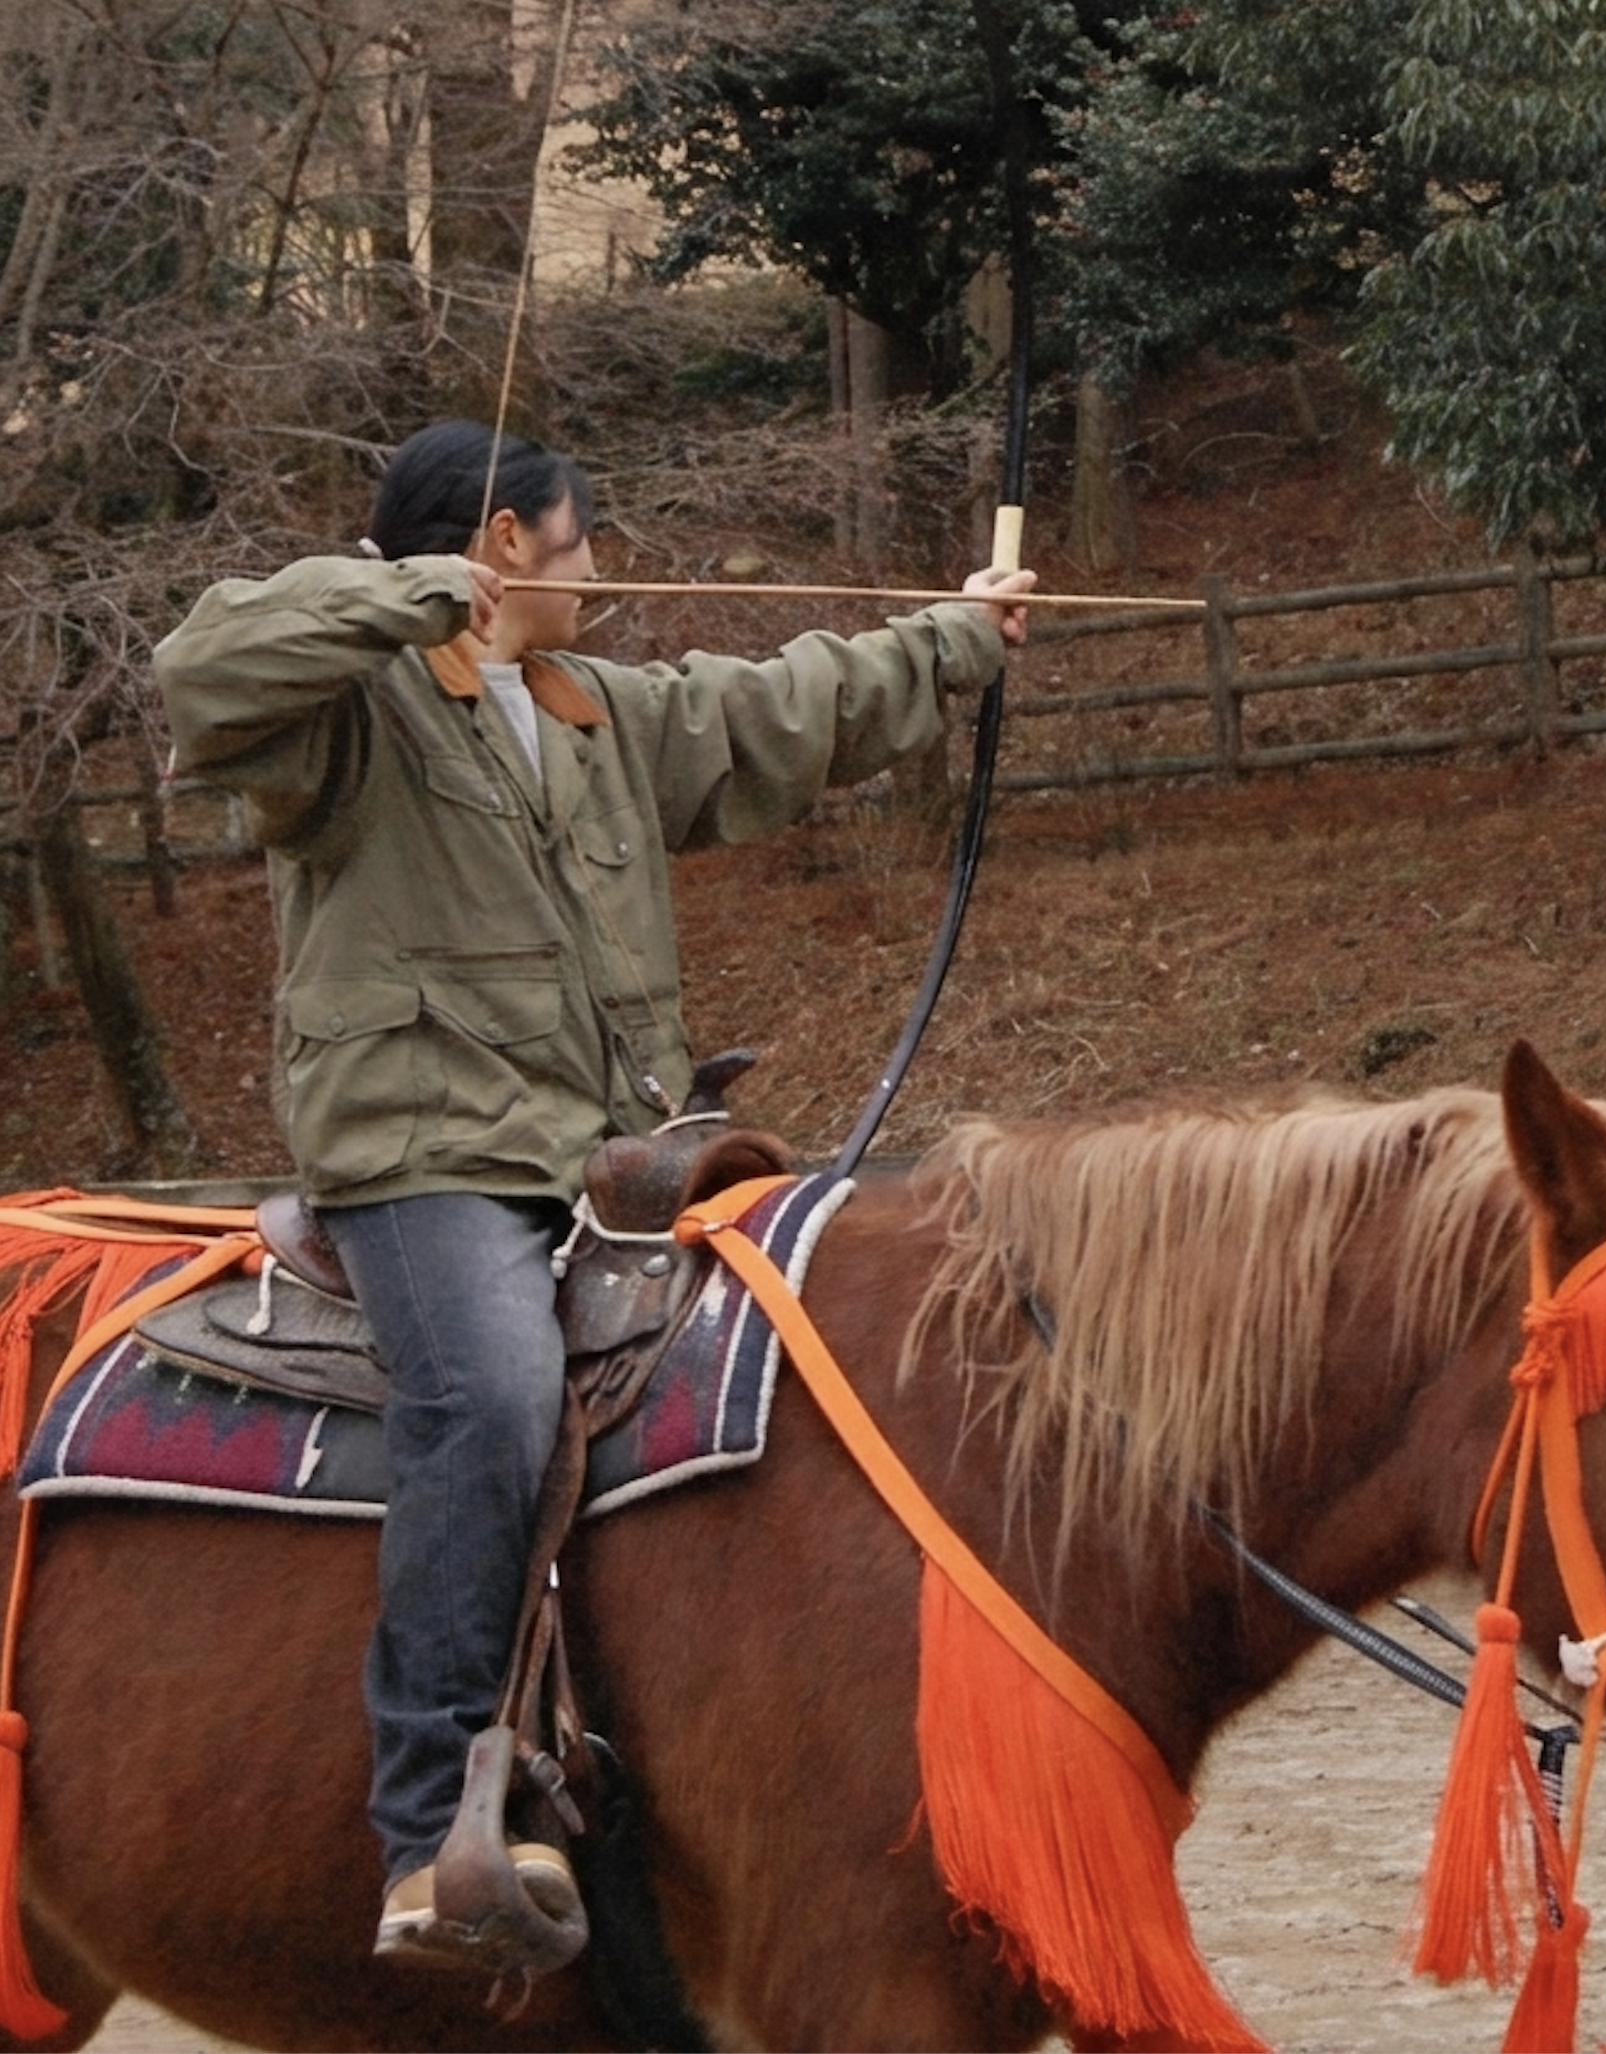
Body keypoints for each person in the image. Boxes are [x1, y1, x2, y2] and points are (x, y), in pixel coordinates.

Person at [151, 419, 1031, 1973]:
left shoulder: (594, 709)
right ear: (502, 544)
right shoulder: (347, 713)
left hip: (610, 1159)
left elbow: (783, 709)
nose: (599, 571)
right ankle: (433, 1827)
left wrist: (956, 637)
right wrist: (416, 594)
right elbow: (205, 664)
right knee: (490, 1398)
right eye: (575, 543)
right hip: (425, 1164)